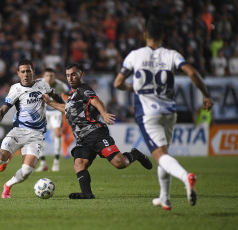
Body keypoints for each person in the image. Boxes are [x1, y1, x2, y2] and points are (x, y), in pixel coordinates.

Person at [114, 17, 213, 210]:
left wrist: (131, 87)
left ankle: (186, 178)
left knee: (160, 156)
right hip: (169, 112)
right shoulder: (171, 54)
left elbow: (117, 83)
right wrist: (206, 95)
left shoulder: (135, 55)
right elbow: (192, 73)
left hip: (148, 113)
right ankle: (164, 198)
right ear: (163, 36)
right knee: (164, 153)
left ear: (144, 35)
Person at [42, 63, 152, 199]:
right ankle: (87, 193)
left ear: (81, 75)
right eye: (68, 75)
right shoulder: (71, 97)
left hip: (96, 133)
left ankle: (135, 154)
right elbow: (66, 109)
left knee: (119, 163)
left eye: (73, 74)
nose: (70, 78)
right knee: (79, 164)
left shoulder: (84, 89)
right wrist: (49, 102)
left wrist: (104, 114)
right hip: (82, 139)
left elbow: (95, 101)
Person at [0, 59, 65, 199]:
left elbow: (55, 94)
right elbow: (4, 109)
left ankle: (8, 186)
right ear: (18, 73)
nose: (25, 74)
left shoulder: (42, 84)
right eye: (22, 72)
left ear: (33, 72)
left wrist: (64, 105)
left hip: (36, 136)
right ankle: (8, 156)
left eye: (28, 71)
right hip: (18, 131)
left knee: (26, 172)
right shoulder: (15, 89)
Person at [36, 68, 70, 172]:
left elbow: (68, 94)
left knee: (57, 133)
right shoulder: (38, 83)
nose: (49, 78)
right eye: (47, 76)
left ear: (54, 77)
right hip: (43, 111)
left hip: (55, 111)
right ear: (43, 76)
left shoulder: (61, 86)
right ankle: (43, 164)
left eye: (51, 76)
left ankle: (56, 162)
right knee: (39, 136)